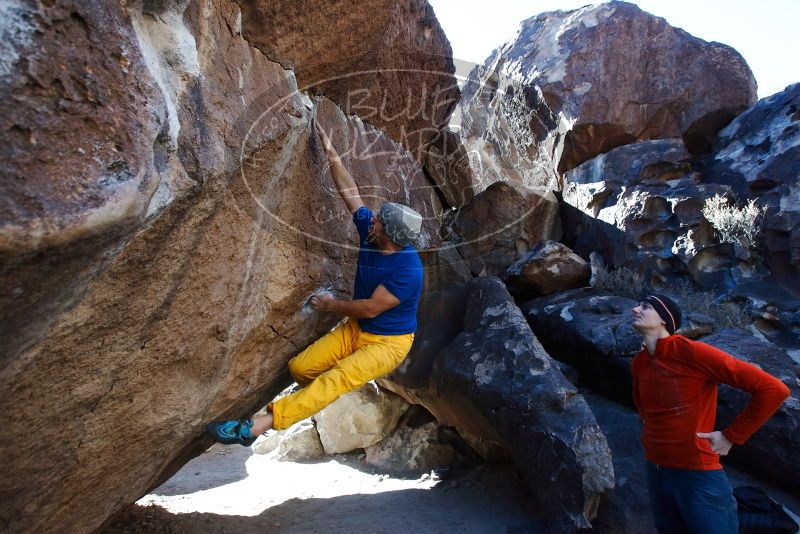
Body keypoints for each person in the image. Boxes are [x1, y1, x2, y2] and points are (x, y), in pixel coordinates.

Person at [206, 121, 424, 446]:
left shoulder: (408, 269)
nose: (372, 219)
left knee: (332, 381)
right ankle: (318, 396)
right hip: (356, 328)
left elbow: (370, 307)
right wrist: (330, 152)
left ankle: (253, 427)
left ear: (390, 233)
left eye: (379, 219)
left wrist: (329, 304)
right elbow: (351, 194)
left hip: (387, 343)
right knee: (300, 369)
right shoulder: (372, 234)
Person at [631, 294, 791, 533]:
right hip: (656, 471)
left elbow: (773, 389)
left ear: (664, 319)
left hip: (697, 473)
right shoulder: (640, 363)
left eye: (645, 306)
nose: (635, 309)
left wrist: (731, 436)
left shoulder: (691, 352)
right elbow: (643, 408)